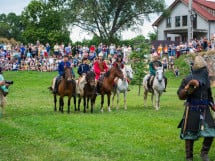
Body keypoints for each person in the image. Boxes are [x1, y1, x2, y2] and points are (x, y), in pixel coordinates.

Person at [177, 55, 215, 161]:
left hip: (205, 108)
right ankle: (189, 157)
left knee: (211, 131)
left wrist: (212, 105)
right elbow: (181, 96)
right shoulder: (188, 79)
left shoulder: (206, 80)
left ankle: (204, 154)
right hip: (192, 108)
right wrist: (188, 88)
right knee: (190, 134)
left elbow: (209, 94)